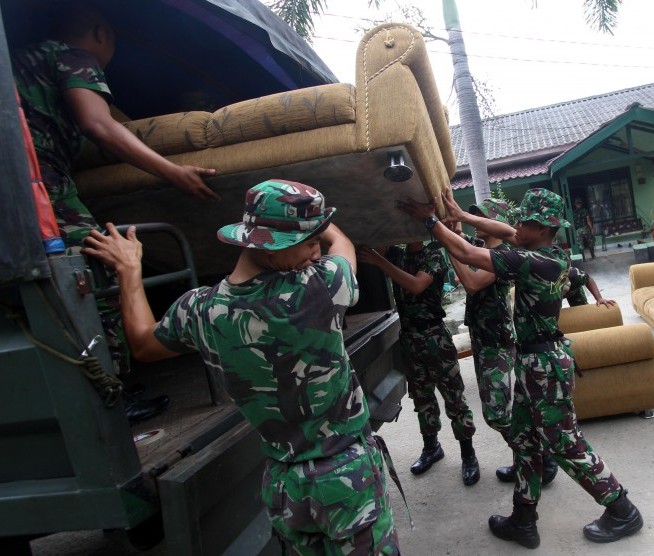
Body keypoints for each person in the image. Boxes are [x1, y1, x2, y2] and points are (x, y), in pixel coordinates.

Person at [82, 179, 400, 554]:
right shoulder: (320, 287)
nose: (316, 253)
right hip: (347, 480)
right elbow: (342, 245)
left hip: (284, 488)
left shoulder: (201, 311)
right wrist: (320, 220)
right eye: (309, 243)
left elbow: (143, 343)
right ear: (269, 247)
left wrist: (129, 270)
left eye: (316, 241)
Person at [398, 189, 643, 549]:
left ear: (542, 228)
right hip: (531, 361)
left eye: (523, 221)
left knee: (564, 443)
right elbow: (504, 230)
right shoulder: (547, 251)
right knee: (526, 443)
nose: (514, 226)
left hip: (544, 364)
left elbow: (467, 254)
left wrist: (431, 221)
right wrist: (461, 217)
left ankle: (622, 508)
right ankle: (523, 519)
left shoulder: (535, 262)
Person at [13, 2, 217, 421]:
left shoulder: (22, 61)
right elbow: (99, 126)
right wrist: (173, 172)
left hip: (16, 186)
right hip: (32, 181)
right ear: (101, 33)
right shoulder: (72, 55)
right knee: (96, 267)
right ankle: (111, 396)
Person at [448, 200, 558, 487]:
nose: (476, 221)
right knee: (504, 412)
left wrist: (451, 245)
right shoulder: (487, 250)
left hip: (497, 341)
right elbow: (463, 245)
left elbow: (471, 283)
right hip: (482, 339)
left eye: (480, 217)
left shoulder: (507, 255)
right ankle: (526, 460)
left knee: (497, 414)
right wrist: (455, 228)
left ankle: (538, 458)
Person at [358, 242, 480, 486]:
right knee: (422, 398)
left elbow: (416, 284)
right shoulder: (397, 253)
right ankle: (432, 447)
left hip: (434, 336)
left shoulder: (434, 253)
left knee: (454, 398)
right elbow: (375, 242)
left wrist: (382, 263)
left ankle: (468, 453)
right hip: (409, 338)